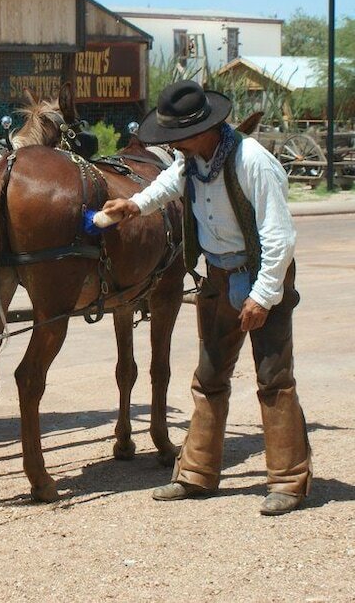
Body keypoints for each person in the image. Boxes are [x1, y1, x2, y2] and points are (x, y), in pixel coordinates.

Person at [101, 80, 312, 515]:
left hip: (259, 277)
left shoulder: (253, 161)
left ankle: (289, 482)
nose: (172, 144)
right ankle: (196, 474)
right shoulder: (193, 161)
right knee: (209, 376)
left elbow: (280, 237)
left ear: (205, 129)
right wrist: (133, 205)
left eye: (177, 135)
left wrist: (264, 295)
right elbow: (167, 185)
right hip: (218, 276)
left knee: (274, 379)